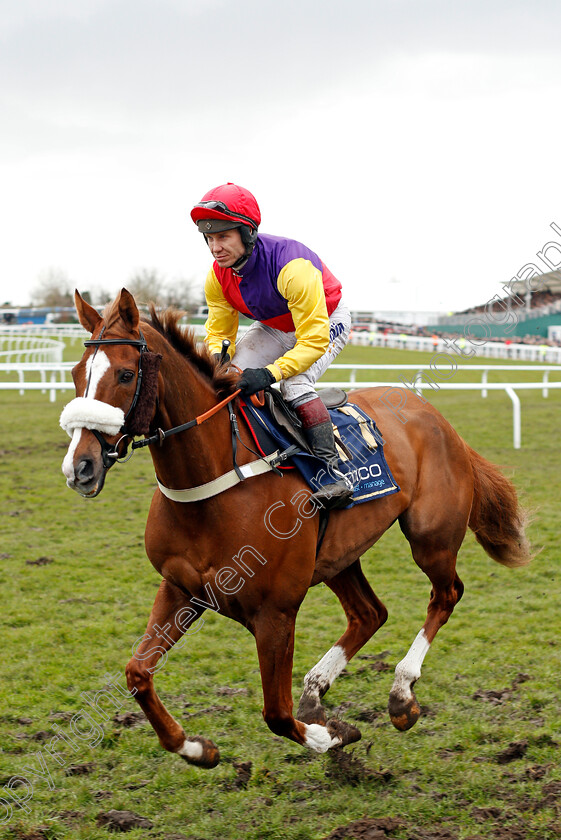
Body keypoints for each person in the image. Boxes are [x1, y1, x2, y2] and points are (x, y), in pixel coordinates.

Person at [191, 182, 353, 509]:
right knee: (229, 376)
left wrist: (269, 373)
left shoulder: (292, 266)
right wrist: (218, 359)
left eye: (223, 236)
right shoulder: (216, 276)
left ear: (247, 233)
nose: (214, 247)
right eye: (209, 238)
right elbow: (220, 333)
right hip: (275, 325)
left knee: (294, 384)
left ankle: (332, 473)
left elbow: (312, 340)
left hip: (324, 320)